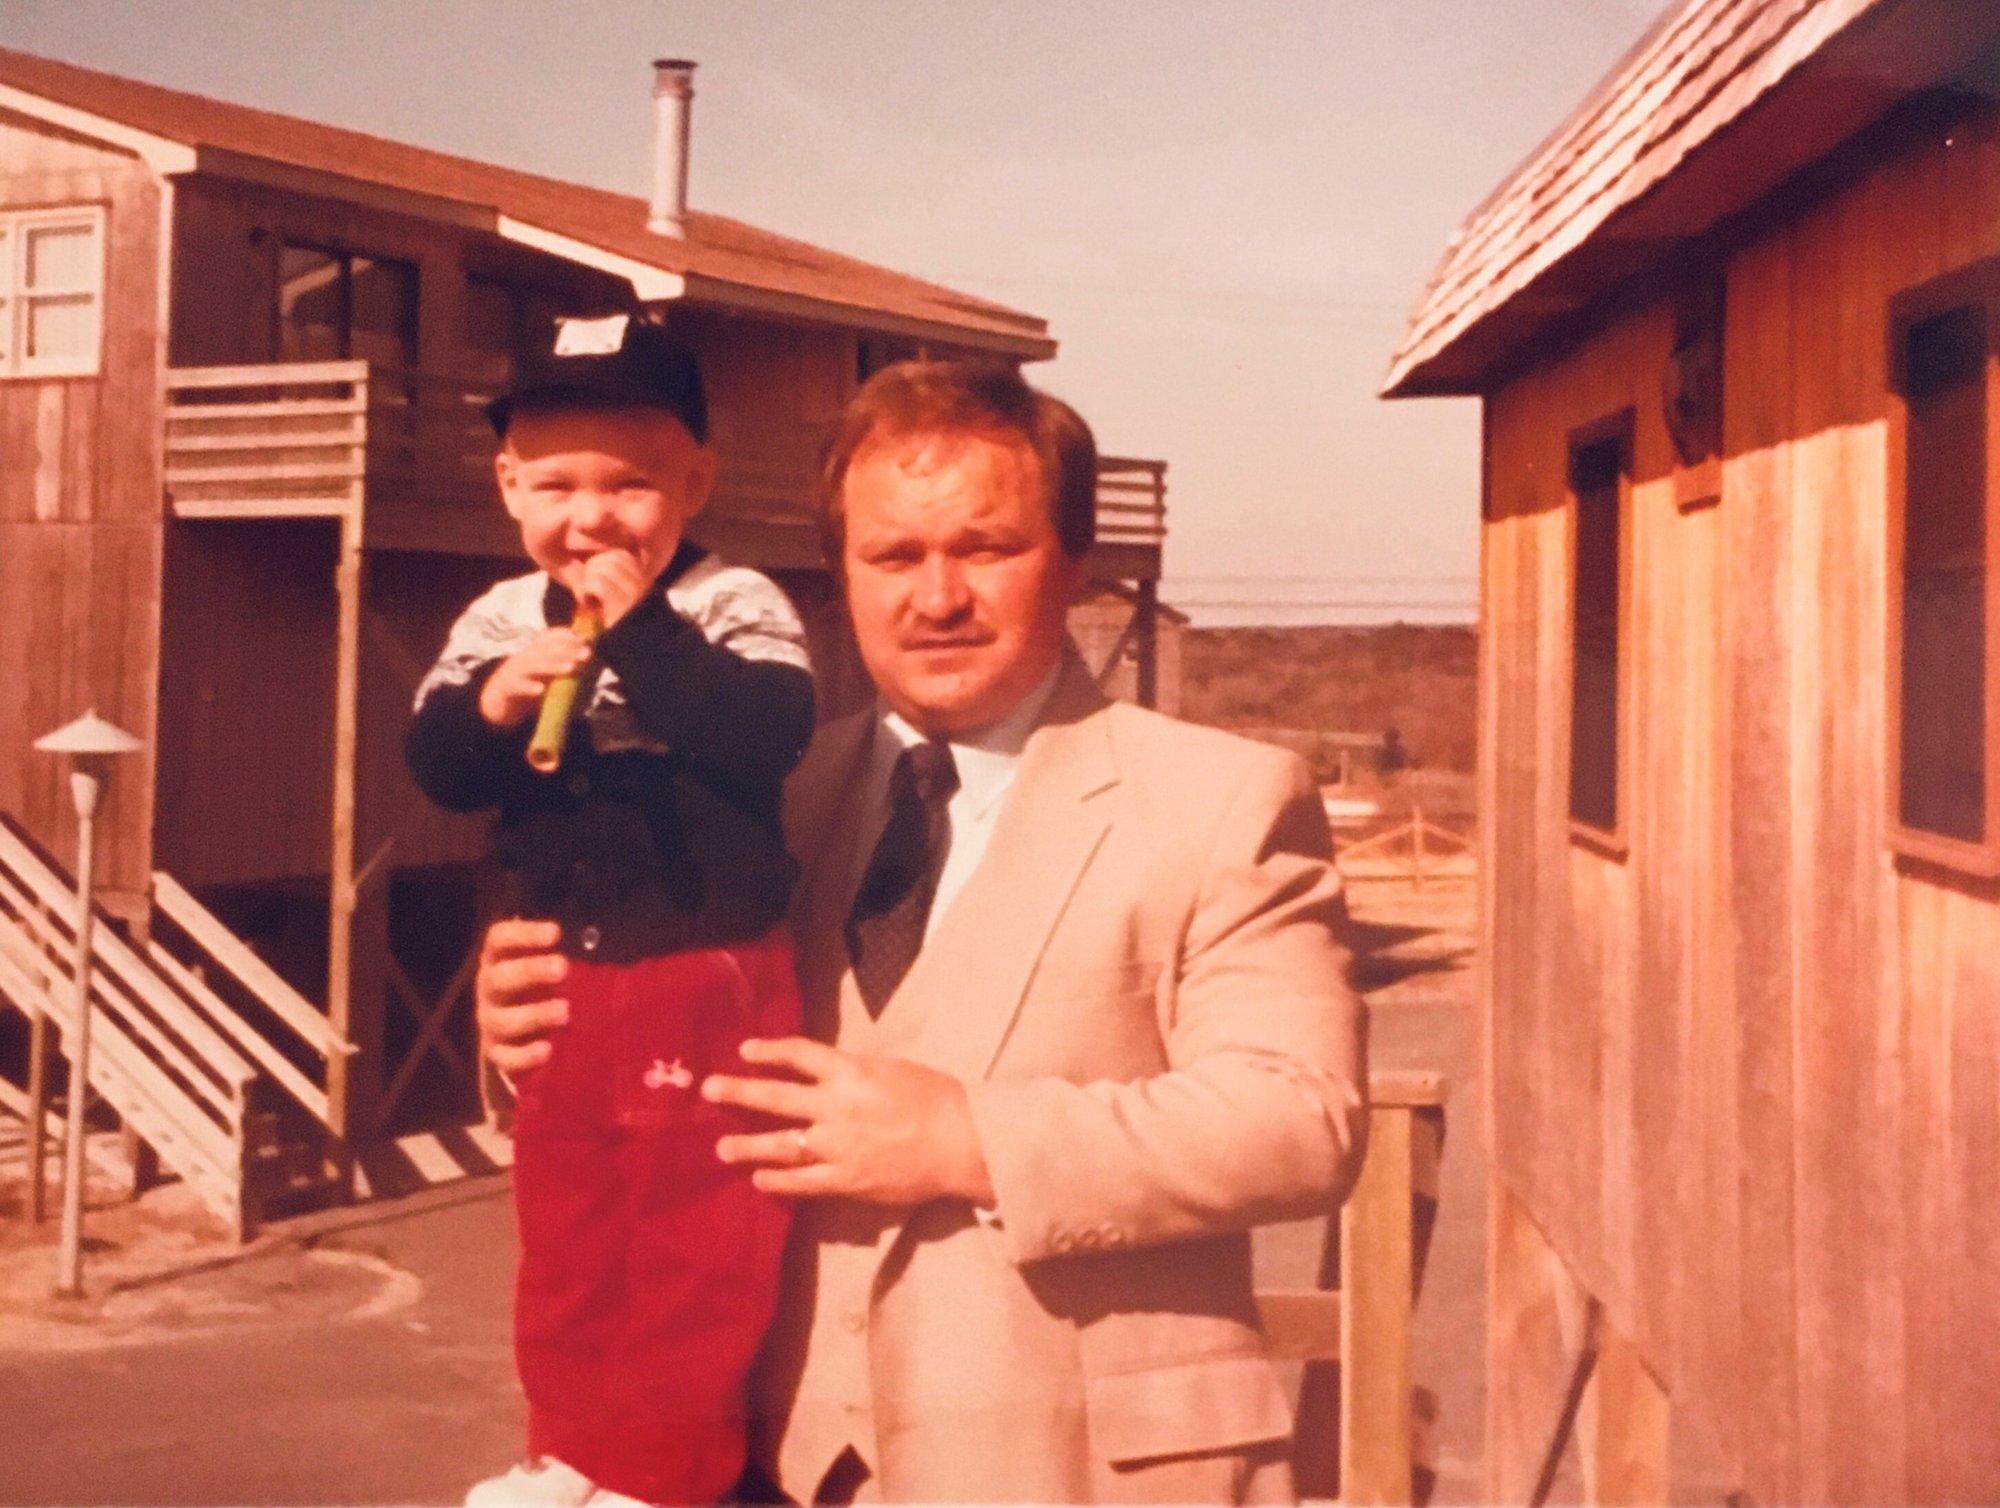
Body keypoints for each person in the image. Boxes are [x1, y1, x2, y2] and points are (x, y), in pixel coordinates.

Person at [478, 359, 1367, 1505]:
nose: (935, 596)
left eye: (984, 548)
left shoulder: (1222, 799)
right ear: (840, 573)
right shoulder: (764, 795)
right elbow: (656, 1053)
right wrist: (523, 1038)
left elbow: (1300, 1117)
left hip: (1075, 1474)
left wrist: (969, 1136)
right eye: (892, 555)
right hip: (765, 1464)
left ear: (1073, 559)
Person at [407, 313, 816, 1508]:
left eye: (632, 483)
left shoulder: (733, 599)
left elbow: (766, 730)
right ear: (507, 487)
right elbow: (436, 765)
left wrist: (637, 626)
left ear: (695, 478)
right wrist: (490, 704)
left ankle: (662, 1475)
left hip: (708, 968)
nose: (591, 517)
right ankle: (570, 1451)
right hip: (561, 982)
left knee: (696, 1237)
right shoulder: (498, 621)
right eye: (556, 483)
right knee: (570, 1230)